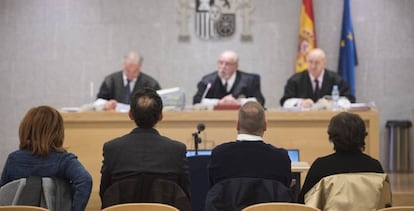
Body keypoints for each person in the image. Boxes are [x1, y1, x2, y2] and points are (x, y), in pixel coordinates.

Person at [100, 88, 190, 199]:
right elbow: (185, 196)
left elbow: (105, 194)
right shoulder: (177, 150)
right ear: (160, 116)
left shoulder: (112, 149)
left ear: (130, 115)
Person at [0, 106, 92, 211]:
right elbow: (85, 180)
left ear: (25, 129)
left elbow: (3, 193)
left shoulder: (14, 160)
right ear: (58, 132)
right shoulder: (63, 160)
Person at [297, 112, 384, 203]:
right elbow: (385, 204)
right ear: (362, 136)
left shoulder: (321, 166)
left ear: (332, 136)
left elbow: (303, 203)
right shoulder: (374, 166)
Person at [208, 101, 291, 187]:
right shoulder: (281, 158)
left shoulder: (219, 155)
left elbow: (213, 191)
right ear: (265, 126)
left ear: (237, 125)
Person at [280, 48, 355, 109]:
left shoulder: (337, 80)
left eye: (317, 63)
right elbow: (285, 102)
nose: (313, 66)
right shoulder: (295, 80)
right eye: (310, 62)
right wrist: (300, 103)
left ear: (324, 63)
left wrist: (331, 103)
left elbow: (349, 101)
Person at [193, 50, 265, 106]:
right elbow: (196, 101)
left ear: (236, 66)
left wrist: (239, 102)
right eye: (220, 63)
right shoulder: (207, 81)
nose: (223, 67)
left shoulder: (250, 81)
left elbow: (260, 101)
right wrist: (219, 102)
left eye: (227, 64)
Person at [96, 51, 161, 111]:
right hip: (114, 119)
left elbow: (159, 104)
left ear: (140, 66)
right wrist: (106, 104)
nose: (131, 72)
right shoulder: (110, 81)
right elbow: (98, 101)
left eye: (135, 70)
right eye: (128, 69)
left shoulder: (151, 84)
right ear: (124, 63)